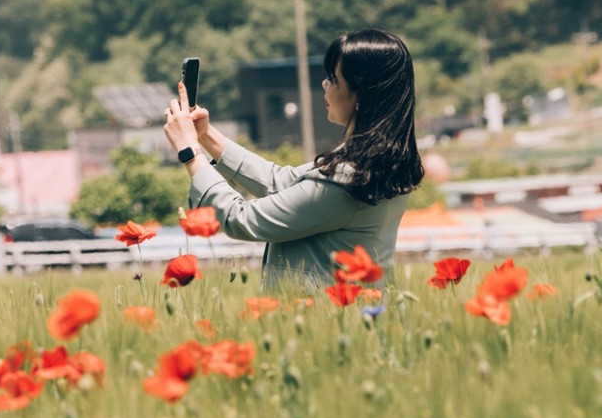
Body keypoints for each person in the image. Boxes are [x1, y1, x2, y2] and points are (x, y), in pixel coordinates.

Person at [163, 28, 424, 291]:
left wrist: (190, 153)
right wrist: (206, 135)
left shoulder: (347, 178)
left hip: (320, 322)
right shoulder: (379, 164)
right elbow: (281, 182)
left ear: (360, 95)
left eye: (334, 79)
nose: (324, 84)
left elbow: (240, 219)